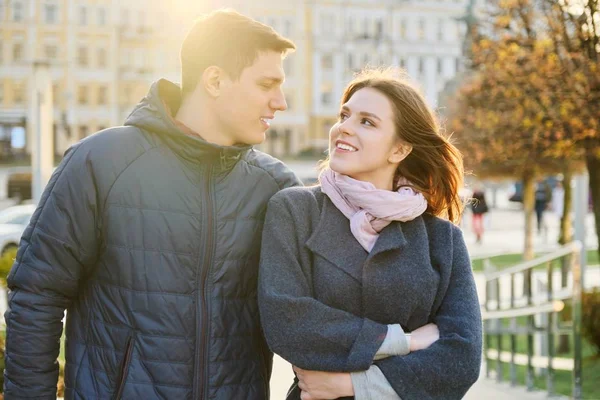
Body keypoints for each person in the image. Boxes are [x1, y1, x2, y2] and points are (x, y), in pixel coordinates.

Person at [4, 10, 301, 399]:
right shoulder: (102, 161)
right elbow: (35, 297)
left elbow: (313, 320)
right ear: (214, 80)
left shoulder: (276, 187)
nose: (280, 101)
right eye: (267, 84)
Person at [258, 68, 482, 400]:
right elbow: (287, 321)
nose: (343, 128)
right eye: (344, 115)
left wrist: (353, 385)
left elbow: (462, 358)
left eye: (367, 122)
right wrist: (404, 341)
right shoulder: (294, 210)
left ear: (399, 150)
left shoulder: (441, 239)